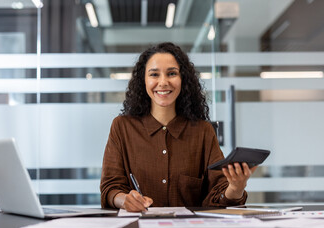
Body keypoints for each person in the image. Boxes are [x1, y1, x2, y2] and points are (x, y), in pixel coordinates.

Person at [100, 42, 257, 212]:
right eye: (154, 74)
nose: (163, 82)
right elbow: (110, 187)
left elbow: (218, 192)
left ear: (183, 79)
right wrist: (123, 200)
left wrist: (235, 188)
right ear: (143, 80)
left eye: (172, 73)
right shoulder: (122, 127)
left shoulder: (203, 131)